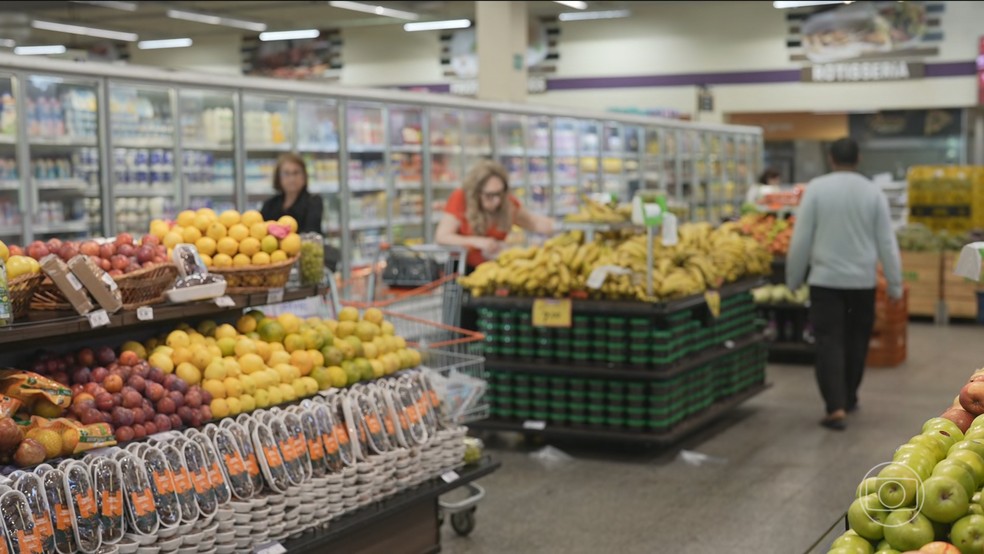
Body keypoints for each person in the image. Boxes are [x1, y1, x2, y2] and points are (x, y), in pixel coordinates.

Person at [786, 137, 903, 431]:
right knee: (856, 341)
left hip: (825, 282)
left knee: (829, 342)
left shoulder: (816, 189)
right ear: (858, 159)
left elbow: (801, 238)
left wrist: (793, 278)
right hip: (862, 282)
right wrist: (894, 283)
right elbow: (887, 242)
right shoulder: (872, 192)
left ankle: (835, 406)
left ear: (831, 159)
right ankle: (849, 397)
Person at [435, 159, 556, 271]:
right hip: (462, 269)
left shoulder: (507, 203)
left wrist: (563, 227)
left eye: (500, 193)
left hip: (495, 269)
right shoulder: (460, 198)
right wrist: (478, 242)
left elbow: (533, 222)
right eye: (490, 195)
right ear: (476, 193)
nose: (497, 200)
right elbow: (442, 236)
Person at [260, 153, 324, 234]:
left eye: (296, 173)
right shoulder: (270, 204)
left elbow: (311, 232)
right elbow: (261, 231)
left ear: (304, 176)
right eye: (286, 173)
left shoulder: (313, 202)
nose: (291, 179)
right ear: (278, 177)